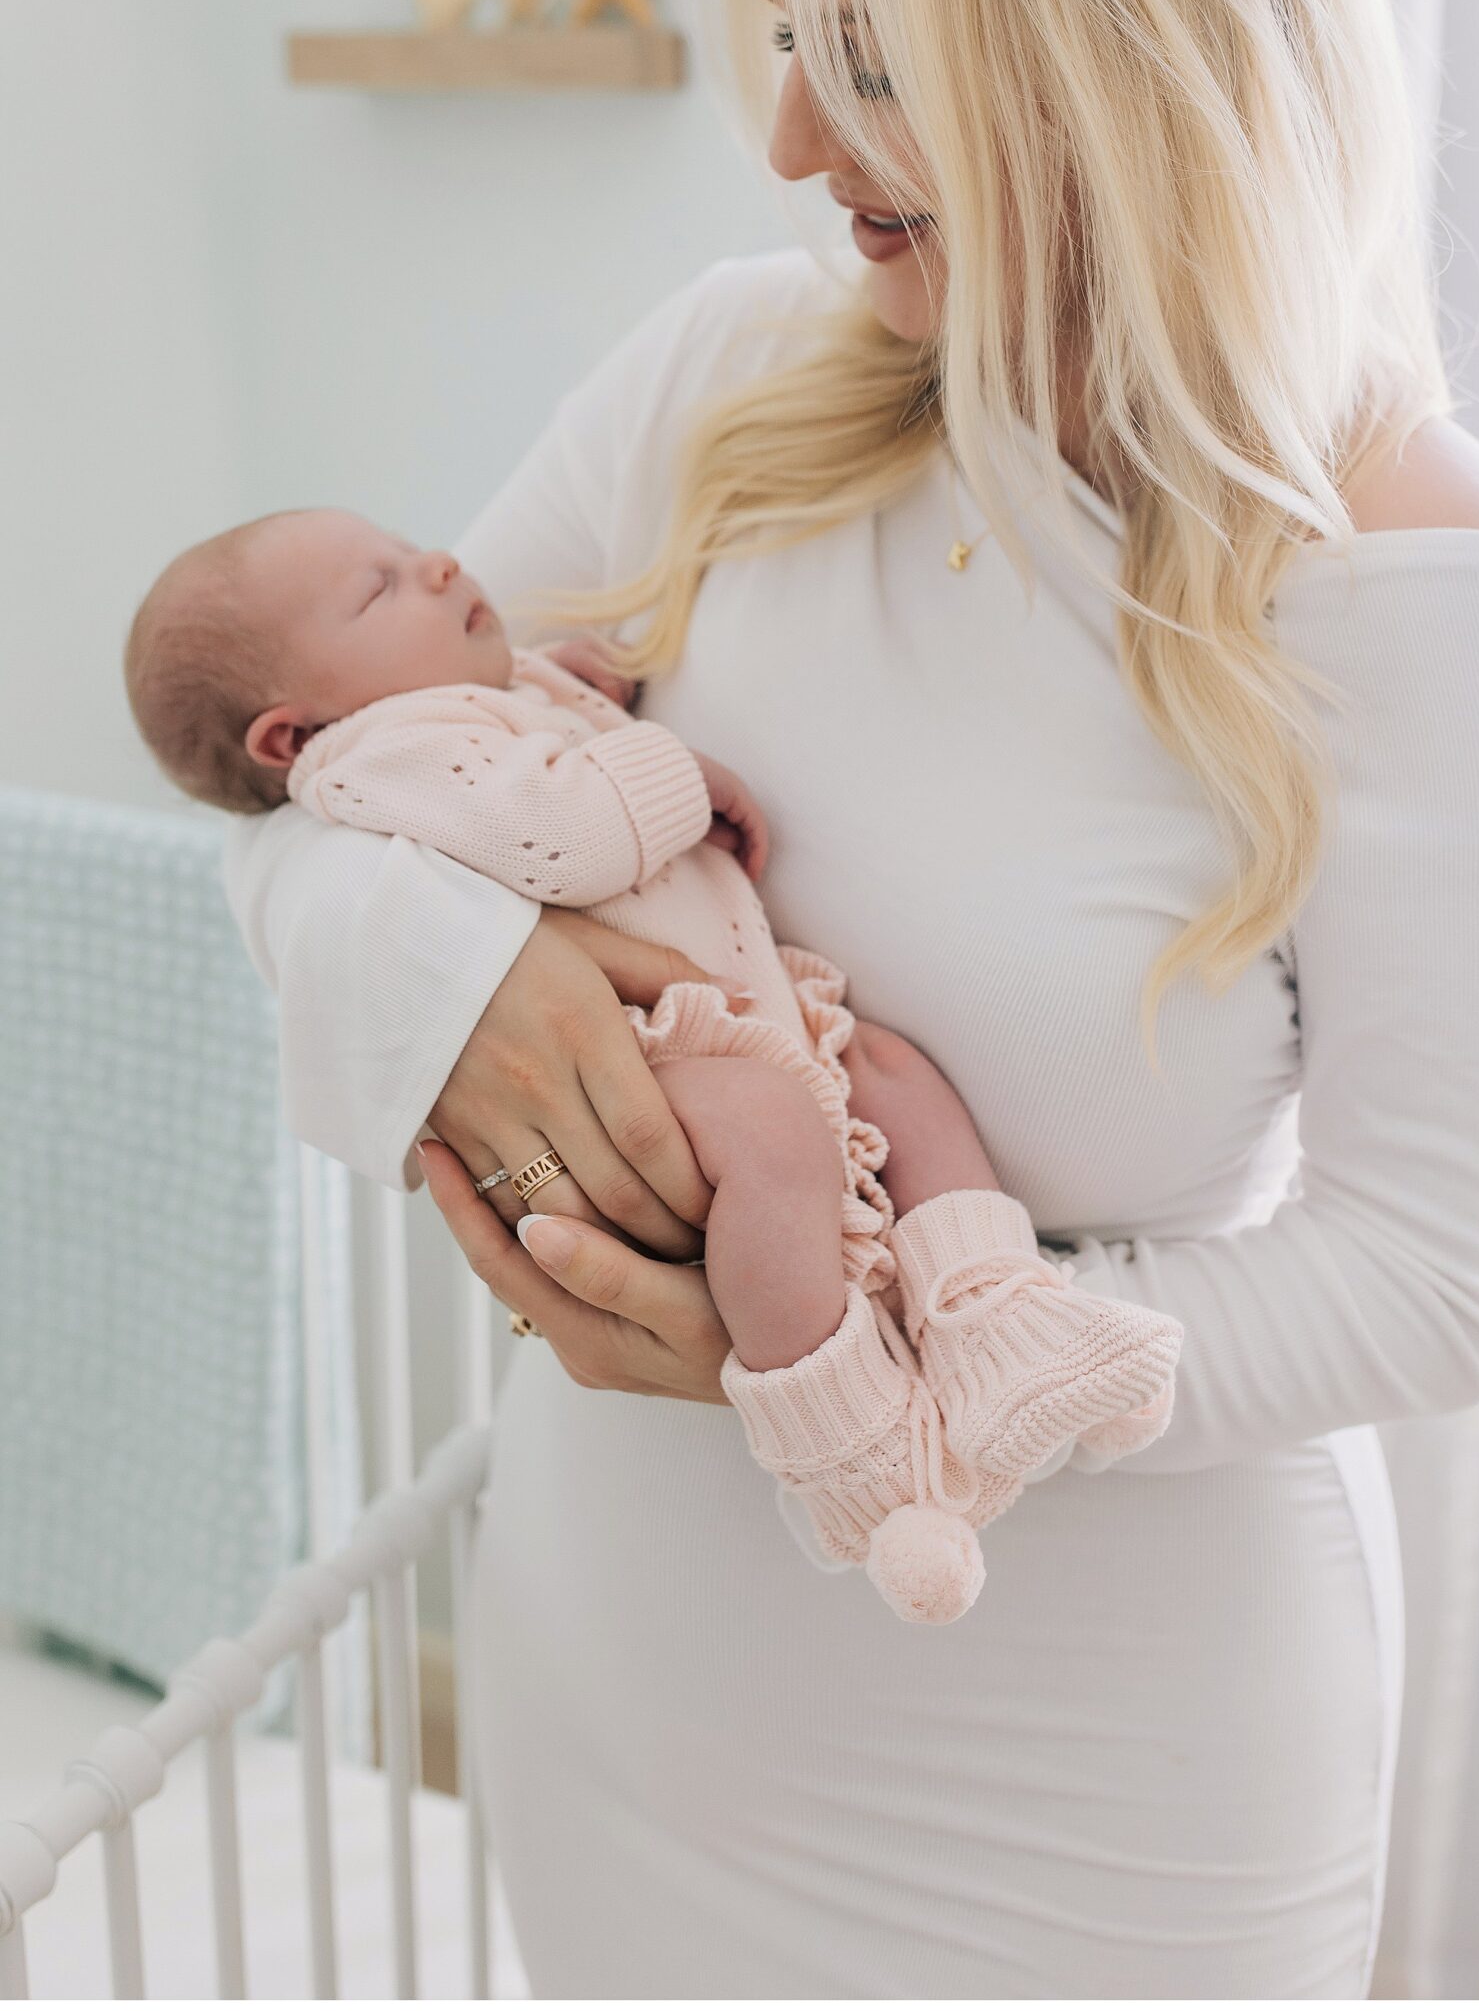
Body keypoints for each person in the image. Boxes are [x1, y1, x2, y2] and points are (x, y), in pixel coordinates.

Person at [224, 0, 1479, 1995]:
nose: (784, 135)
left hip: (1106, 1786)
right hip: (639, 1706)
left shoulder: (1411, 581)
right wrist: (469, 996)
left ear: (1120, 46)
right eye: (781, 28)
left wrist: (906, 1365)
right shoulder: (722, 381)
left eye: (868, 57)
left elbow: (1437, 1283)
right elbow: (308, 805)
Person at [124, 508, 1183, 1623]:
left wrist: (574, 689)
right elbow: (561, 834)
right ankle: (859, 1448)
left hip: (749, 1009)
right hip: (650, 1048)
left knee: (892, 1072)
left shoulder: (461, 700)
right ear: (289, 739)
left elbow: (513, 760)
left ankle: (1002, 1321)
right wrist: (670, 767)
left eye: (408, 550)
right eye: (376, 589)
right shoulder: (373, 753)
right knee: (771, 1137)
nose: (435, 564)